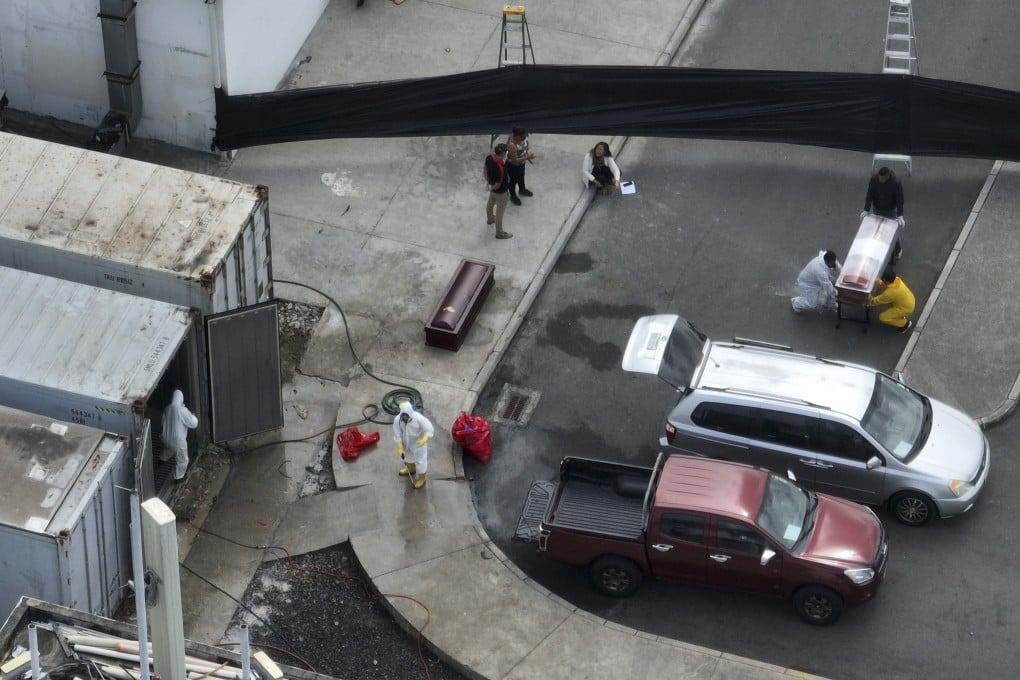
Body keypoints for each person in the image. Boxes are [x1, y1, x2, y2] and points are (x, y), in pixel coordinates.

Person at [862, 166, 905, 260]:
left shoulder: (895, 182)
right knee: (877, 228)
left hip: (890, 210)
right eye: (879, 177)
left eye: (882, 178)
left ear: (887, 176)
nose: (880, 180)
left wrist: (900, 215)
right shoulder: (874, 179)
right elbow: (870, 194)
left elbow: (900, 199)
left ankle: (898, 249)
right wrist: (866, 209)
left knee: (891, 231)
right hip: (877, 208)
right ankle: (880, 248)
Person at [393, 401, 434, 489]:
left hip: (418, 444)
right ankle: (411, 469)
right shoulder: (397, 419)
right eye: (403, 416)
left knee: (421, 461)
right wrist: (400, 447)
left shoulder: (419, 418)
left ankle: (422, 478)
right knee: (407, 457)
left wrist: (425, 438)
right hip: (406, 443)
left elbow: (429, 428)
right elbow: (397, 433)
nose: (405, 419)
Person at [160, 389, 198, 483]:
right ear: (181, 399)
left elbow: (162, 423)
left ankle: (161, 459)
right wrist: (193, 416)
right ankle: (178, 477)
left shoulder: (167, 408)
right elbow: (193, 424)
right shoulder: (182, 410)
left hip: (165, 438)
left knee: (169, 449)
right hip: (178, 441)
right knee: (183, 460)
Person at [869, 267, 915, 333]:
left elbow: (874, 302)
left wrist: (868, 296)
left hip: (905, 308)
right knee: (887, 301)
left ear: (885, 280)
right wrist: (875, 280)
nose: (881, 279)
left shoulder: (890, 293)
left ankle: (904, 324)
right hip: (908, 301)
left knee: (883, 317)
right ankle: (898, 316)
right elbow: (884, 285)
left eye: (882, 279)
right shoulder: (896, 279)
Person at [483, 143, 512, 239]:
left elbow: (485, 169)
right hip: (501, 192)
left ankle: (490, 218)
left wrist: (488, 182)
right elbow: (498, 184)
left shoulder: (489, 157)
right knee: (500, 212)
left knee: (490, 203)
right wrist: (493, 187)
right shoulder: (500, 167)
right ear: (502, 154)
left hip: (492, 188)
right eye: (506, 152)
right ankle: (499, 233)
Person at [506, 124, 535, 206]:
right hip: (513, 166)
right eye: (523, 136)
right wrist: (527, 157)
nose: (525, 137)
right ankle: (513, 196)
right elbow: (514, 160)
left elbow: (525, 147)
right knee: (513, 181)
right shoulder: (512, 145)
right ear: (517, 136)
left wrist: (526, 155)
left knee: (521, 176)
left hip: (521, 164)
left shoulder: (523, 138)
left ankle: (522, 189)